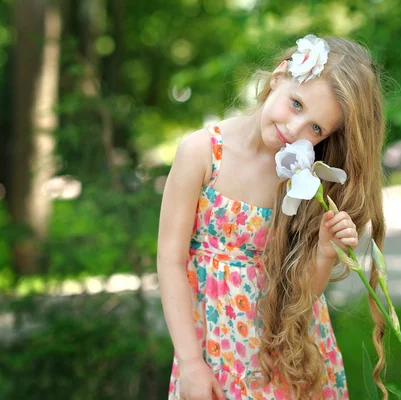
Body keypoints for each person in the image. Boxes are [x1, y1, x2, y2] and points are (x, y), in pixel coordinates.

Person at [157, 34, 387, 400]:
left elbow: (304, 294)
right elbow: (170, 261)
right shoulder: (202, 153)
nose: (294, 130)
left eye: (316, 129)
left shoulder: (304, 180)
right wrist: (190, 363)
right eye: (296, 104)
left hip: (292, 354)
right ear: (279, 76)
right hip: (215, 353)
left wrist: (325, 253)